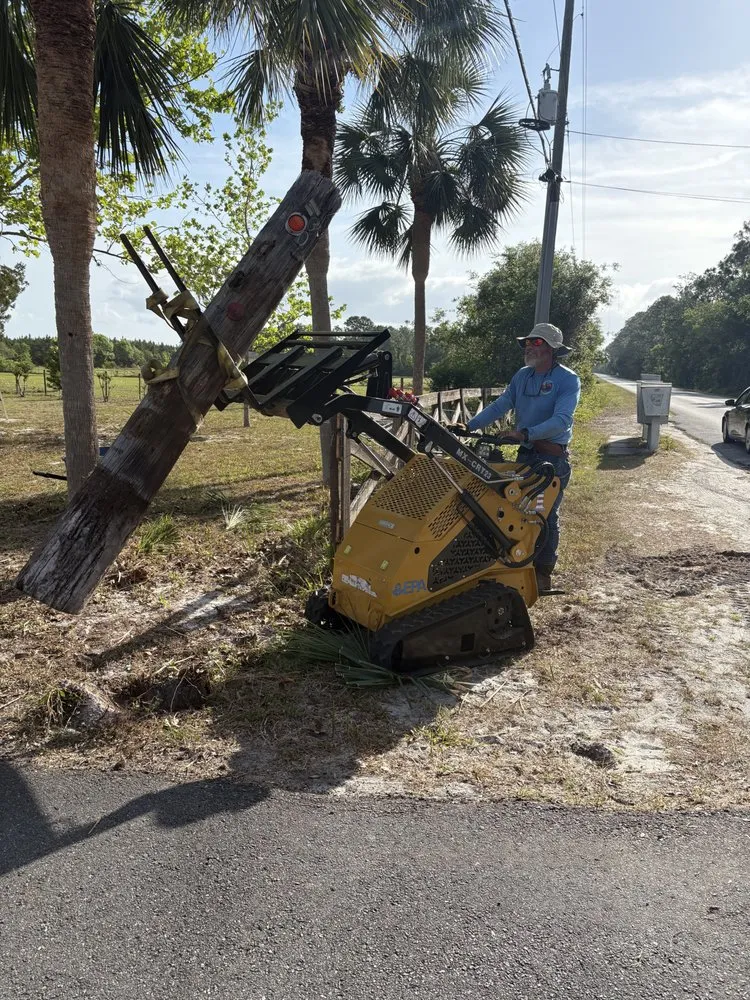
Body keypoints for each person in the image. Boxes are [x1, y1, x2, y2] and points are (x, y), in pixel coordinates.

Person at [465, 322, 581, 593]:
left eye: (536, 342)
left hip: (552, 460)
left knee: (545, 514)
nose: (529, 346)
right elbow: (501, 404)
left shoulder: (567, 379)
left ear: (552, 349)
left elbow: (562, 421)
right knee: (516, 509)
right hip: (525, 454)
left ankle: (543, 572)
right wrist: (469, 427)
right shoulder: (522, 376)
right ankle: (517, 563)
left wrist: (526, 433)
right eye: (527, 342)